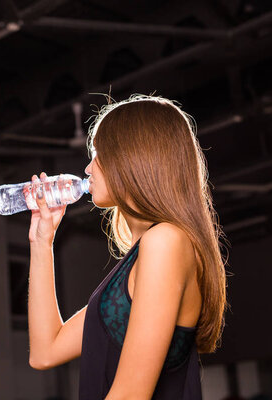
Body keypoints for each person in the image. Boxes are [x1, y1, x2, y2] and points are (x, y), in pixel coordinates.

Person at [27, 94, 228, 399]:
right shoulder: (143, 256)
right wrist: (41, 241)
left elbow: (130, 395)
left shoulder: (166, 241)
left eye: (99, 154)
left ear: (132, 158)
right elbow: (45, 351)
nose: (88, 169)